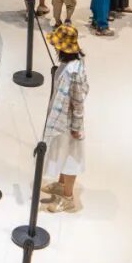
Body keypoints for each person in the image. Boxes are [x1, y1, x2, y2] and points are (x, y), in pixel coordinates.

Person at [40, 24, 89, 214]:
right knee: (62, 153)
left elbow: (78, 100)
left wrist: (76, 126)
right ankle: (61, 185)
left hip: (69, 125)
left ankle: (68, 198)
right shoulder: (68, 65)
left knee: (70, 158)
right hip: (61, 119)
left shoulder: (74, 71)